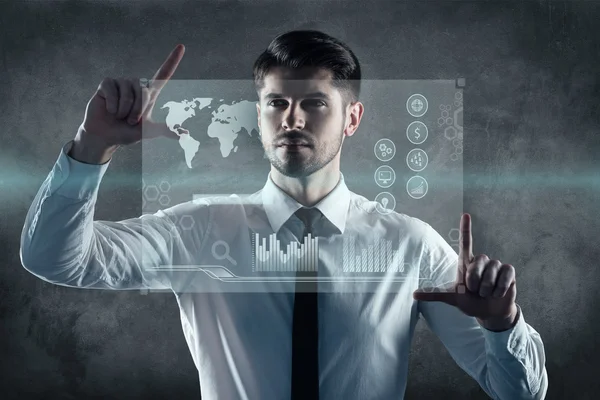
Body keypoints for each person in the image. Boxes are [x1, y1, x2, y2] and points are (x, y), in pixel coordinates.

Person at [20, 30, 548, 399]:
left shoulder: (411, 245)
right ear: (258, 114)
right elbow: (54, 259)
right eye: (275, 103)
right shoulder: (198, 231)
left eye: (314, 103)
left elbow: (519, 393)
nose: (292, 119)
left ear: (353, 118)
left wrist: (503, 326)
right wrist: (92, 147)